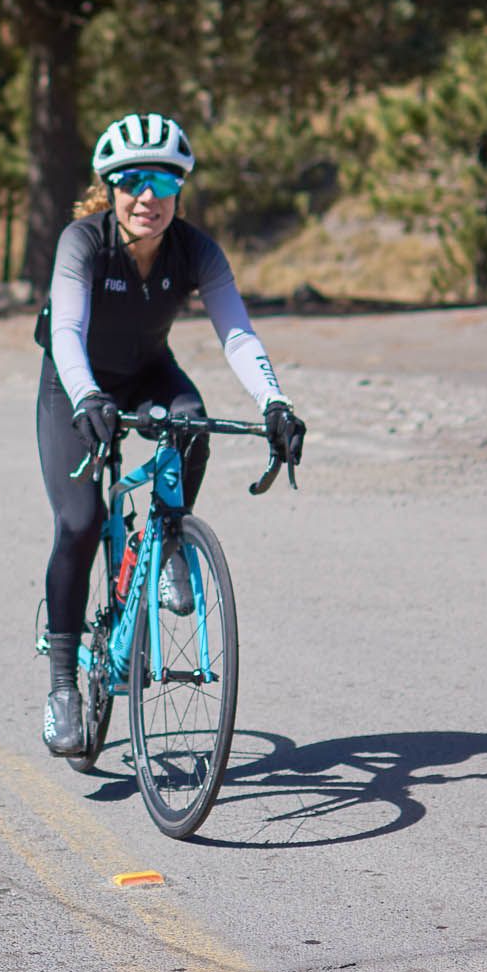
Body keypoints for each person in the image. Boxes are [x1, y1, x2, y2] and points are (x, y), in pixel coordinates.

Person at [36, 112, 306, 756]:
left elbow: (237, 333)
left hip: (148, 373)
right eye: (132, 182)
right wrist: (87, 396)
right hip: (74, 385)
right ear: (110, 189)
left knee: (192, 422)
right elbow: (67, 332)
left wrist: (275, 401)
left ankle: (171, 539)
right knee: (79, 521)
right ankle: (64, 686)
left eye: (162, 182)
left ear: (179, 189)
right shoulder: (83, 241)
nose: (147, 196)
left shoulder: (196, 250)